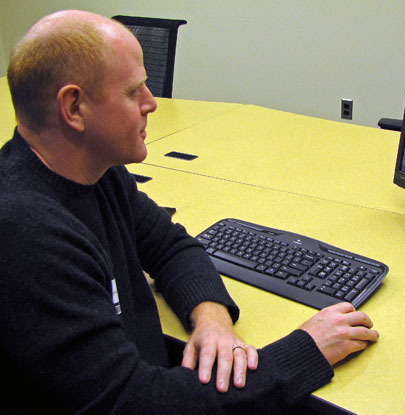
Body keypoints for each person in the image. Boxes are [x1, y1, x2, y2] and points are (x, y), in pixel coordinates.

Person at [0, 10, 379, 414]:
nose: (151, 103)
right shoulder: (26, 232)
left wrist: (211, 319)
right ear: (74, 108)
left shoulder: (95, 173)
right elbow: (136, 404)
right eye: (133, 92)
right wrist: (307, 351)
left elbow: (171, 247)